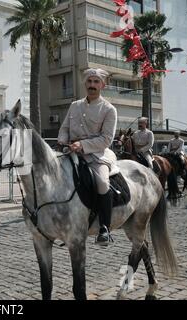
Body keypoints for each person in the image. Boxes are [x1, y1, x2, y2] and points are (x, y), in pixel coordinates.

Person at [58, 68, 117, 246]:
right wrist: (62, 141)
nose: (92, 85)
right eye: (89, 82)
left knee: (102, 183)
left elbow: (106, 139)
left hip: (96, 155)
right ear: (85, 84)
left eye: (96, 82)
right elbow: (65, 128)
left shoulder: (109, 109)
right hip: (70, 151)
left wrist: (82, 145)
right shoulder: (74, 105)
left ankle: (104, 228)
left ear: (102, 85)